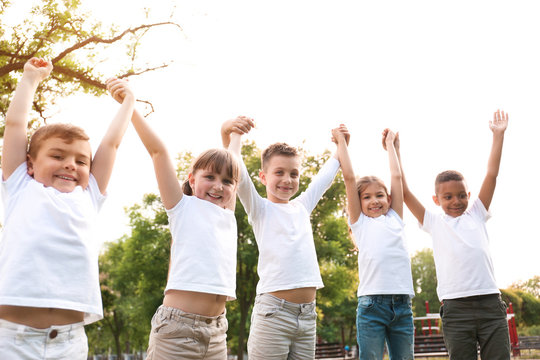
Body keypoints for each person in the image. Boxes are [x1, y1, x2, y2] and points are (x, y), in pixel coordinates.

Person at [0, 58, 134, 359]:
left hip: (69, 343)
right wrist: (30, 78)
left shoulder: (89, 196)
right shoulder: (21, 186)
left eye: (81, 161)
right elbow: (15, 124)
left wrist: (128, 102)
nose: (70, 165)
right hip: (12, 340)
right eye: (57, 156)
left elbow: (111, 144)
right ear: (31, 164)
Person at [108, 80, 242, 359]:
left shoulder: (227, 215)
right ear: (192, 180)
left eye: (226, 182)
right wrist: (131, 104)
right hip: (177, 330)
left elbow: (234, 163)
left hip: (217, 332)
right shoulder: (182, 208)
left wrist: (231, 134)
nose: (219, 186)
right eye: (209, 177)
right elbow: (159, 151)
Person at [222, 116, 341, 359]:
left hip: (307, 317)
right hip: (274, 314)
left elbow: (325, 177)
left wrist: (341, 144)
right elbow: (237, 171)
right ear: (263, 177)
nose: (287, 180)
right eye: (279, 172)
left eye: (294, 174)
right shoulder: (260, 209)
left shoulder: (302, 206)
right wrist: (233, 135)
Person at [397, 110, 510, 359]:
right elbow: (403, 192)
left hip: (491, 304)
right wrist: (395, 150)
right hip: (456, 309)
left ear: (469, 196)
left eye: (461, 195)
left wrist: (498, 136)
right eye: (448, 197)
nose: (456, 201)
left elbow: (492, 174)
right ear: (437, 200)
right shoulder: (434, 222)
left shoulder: (477, 213)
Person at [333, 125, 414, 360]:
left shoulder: (395, 218)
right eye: (366, 197)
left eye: (379, 195)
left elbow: (397, 177)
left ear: (388, 198)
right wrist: (342, 143)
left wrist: (391, 147)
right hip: (371, 307)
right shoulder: (360, 223)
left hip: (402, 306)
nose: (374, 201)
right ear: (358, 203)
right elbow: (349, 178)